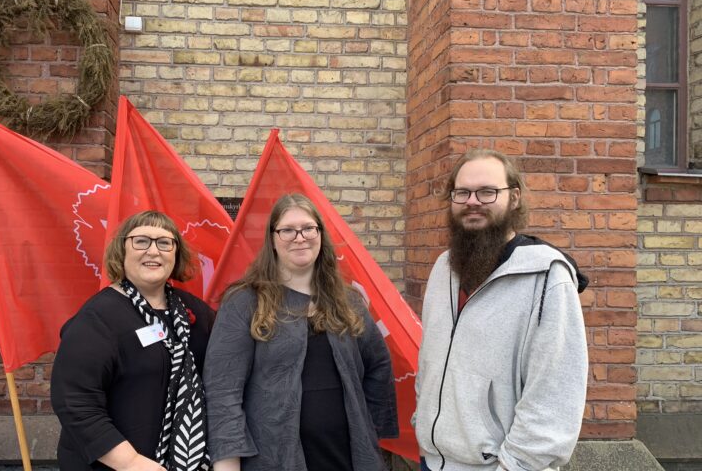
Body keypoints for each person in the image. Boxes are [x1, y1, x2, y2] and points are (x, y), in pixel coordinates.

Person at [413, 150, 589, 471]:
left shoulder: (547, 277)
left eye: (487, 191)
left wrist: (516, 465)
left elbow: (555, 391)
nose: (472, 201)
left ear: (515, 197)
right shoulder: (443, 268)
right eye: (462, 192)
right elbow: (431, 360)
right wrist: (422, 421)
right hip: (433, 460)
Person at [203, 193, 398, 471]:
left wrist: (368, 428)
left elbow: (378, 364)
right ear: (272, 238)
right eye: (287, 230)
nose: (300, 237)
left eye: (308, 228)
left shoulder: (348, 301)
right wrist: (227, 463)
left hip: (347, 457)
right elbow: (223, 389)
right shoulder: (245, 302)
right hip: (273, 459)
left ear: (320, 234)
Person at [51, 211, 215, 471]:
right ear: (122, 251)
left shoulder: (197, 313)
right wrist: (130, 463)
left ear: (176, 253)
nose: (153, 251)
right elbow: (75, 403)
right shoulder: (97, 318)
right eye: (141, 241)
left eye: (164, 242)